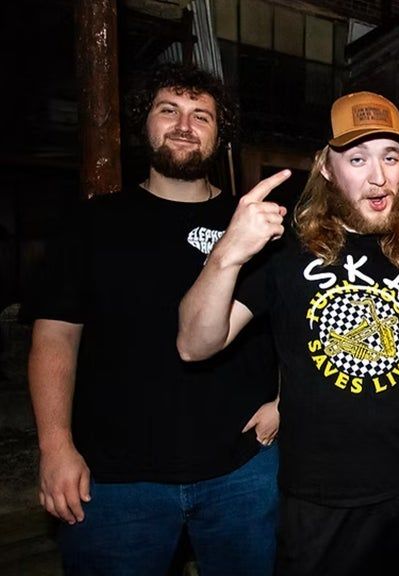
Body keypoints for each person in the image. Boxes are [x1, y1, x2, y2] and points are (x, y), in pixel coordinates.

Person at [177, 90, 399, 575]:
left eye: (390, 157)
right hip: (322, 507)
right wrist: (227, 252)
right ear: (327, 168)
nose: (378, 177)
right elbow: (194, 344)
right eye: (357, 158)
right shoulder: (282, 254)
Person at [24, 63, 280, 575]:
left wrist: (285, 401)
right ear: (145, 123)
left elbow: (300, 324)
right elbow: (55, 337)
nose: (184, 125)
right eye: (169, 110)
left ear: (219, 134)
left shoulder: (254, 223)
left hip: (242, 469)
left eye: (201, 116)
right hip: (116, 478)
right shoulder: (93, 222)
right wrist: (55, 447)